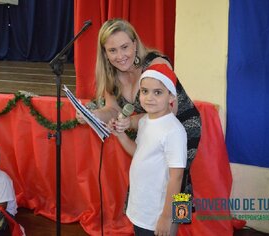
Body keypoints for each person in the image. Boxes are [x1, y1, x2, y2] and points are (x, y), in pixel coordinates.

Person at [76, 18, 201, 196]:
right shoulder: (112, 75)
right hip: (150, 129)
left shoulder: (156, 64)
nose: (120, 56)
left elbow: (166, 111)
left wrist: (131, 122)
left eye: (124, 47)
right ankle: (149, 222)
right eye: (112, 50)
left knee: (176, 182)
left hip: (181, 125)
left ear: (135, 44)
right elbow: (112, 110)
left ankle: (175, 220)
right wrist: (92, 114)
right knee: (150, 181)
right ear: (105, 53)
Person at [109, 64, 187, 236]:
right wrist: (121, 135)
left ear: (171, 96)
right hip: (143, 205)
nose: (149, 98)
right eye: (144, 91)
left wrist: (167, 216)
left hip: (158, 210)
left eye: (157, 92)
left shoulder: (174, 130)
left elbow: (177, 176)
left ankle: (171, 219)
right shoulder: (145, 120)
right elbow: (140, 152)